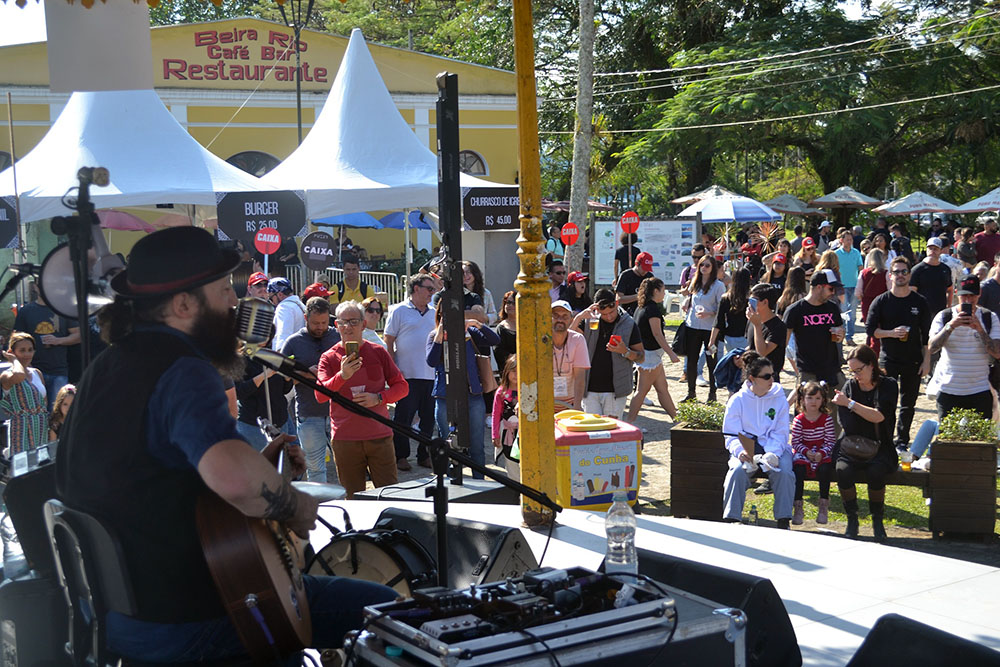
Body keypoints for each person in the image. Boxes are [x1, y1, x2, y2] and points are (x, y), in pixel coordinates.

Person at [56, 227, 396, 662]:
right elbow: (233, 480)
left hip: (124, 619)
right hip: (191, 619)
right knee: (382, 611)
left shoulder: (110, 364)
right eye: (222, 291)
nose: (234, 303)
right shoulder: (181, 366)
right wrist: (294, 506)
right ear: (183, 305)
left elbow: (163, 475)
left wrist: (266, 465)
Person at [317, 301, 408, 498]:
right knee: (353, 498)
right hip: (345, 439)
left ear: (363, 325)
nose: (348, 327)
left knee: (390, 496)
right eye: (343, 322)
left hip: (379, 436)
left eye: (354, 322)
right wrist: (343, 375)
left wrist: (379, 398)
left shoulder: (378, 352)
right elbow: (320, 395)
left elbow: (402, 387)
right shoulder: (328, 357)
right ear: (336, 325)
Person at [832, 345, 900, 541]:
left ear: (871, 365)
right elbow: (847, 423)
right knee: (842, 471)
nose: (855, 375)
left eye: (858, 370)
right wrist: (858, 410)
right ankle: (852, 518)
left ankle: (877, 520)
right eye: (852, 371)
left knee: (876, 472)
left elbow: (879, 416)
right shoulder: (850, 387)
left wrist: (851, 404)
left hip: (880, 445)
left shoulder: (888, 384)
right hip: (852, 444)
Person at [721, 352, 793, 527]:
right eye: (766, 376)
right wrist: (740, 452)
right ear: (752, 378)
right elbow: (730, 434)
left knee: (785, 471)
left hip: (774, 448)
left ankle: (783, 520)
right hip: (746, 449)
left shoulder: (780, 399)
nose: (772, 379)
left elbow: (782, 432)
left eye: (773, 375)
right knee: (736, 471)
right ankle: (732, 519)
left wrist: (773, 454)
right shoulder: (737, 400)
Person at [866, 257, 931, 449]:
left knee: (908, 405)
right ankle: (885, 441)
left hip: (913, 360)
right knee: (886, 403)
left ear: (909, 275)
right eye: (897, 272)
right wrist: (891, 333)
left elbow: (927, 336)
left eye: (904, 272)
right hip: (888, 359)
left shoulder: (919, 302)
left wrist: (927, 361)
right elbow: (871, 330)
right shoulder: (882, 301)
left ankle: (902, 441)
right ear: (890, 275)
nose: (900, 275)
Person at [426, 309, 499, 478]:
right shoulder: (433, 335)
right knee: (448, 443)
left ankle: (479, 483)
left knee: (477, 445)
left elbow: (495, 339)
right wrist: (439, 334)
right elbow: (431, 360)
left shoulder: (469, 333)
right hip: (445, 396)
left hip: (472, 393)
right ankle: (452, 482)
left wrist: (476, 324)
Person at [281, 296, 341, 482]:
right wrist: (307, 374)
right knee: (315, 469)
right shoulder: (292, 342)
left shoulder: (338, 336)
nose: (320, 327)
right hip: (309, 413)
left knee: (347, 465)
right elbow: (283, 379)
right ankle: (320, 508)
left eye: (324, 322)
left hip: (339, 412)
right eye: (315, 323)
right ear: (306, 318)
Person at [927, 275, 1000, 420]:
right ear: (956, 293)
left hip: (980, 391)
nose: (968, 300)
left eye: (972, 296)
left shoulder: (989, 318)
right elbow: (932, 348)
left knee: (979, 441)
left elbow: (997, 353)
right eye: (964, 296)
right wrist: (951, 326)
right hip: (949, 390)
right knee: (947, 441)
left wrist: (980, 329)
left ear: (979, 293)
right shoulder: (944, 317)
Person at [385, 274, 438, 470]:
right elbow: (388, 339)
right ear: (416, 288)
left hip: (430, 374)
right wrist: (392, 369)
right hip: (406, 375)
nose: (432, 293)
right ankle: (401, 456)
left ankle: (424, 455)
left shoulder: (434, 312)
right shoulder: (399, 311)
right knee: (403, 418)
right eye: (429, 289)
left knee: (427, 419)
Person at [572, 288, 644, 418]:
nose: (609, 317)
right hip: (589, 390)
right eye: (604, 314)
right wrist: (579, 317)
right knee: (593, 432)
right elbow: (568, 340)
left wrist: (625, 351)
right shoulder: (589, 320)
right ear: (597, 310)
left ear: (617, 304)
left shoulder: (629, 323)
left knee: (613, 433)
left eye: (611, 312)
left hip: (615, 391)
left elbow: (641, 357)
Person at [14, 282, 80, 409]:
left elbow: (78, 336)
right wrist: (25, 365)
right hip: (32, 371)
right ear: (35, 287)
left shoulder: (62, 309)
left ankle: (55, 430)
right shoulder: (26, 311)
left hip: (59, 370)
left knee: (58, 412)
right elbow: (16, 339)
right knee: (35, 411)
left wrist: (58, 340)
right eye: (42, 285)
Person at [783, 269, 846, 402]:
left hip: (832, 369)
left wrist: (841, 334)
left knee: (837, 416)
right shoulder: (795, 310)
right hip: (808, 371)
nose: (833, 293)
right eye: (830, 289)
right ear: (819, 287)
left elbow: (840, 333)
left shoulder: (832, 307)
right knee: (806, 416)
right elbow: (784, 340)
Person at [625, 277, 680, 423]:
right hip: (649, 356)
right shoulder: (652, 309)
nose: (664, 293)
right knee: (641, 392)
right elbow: (657, 334)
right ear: (656, 291)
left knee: (662, 387)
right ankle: (630, 423)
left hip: (649, 355)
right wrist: (671, 353)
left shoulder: (641, 307)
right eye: (663, 290)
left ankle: (677, 419)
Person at [235, 340, 293, 451]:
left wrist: (287, 378)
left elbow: (284, 390)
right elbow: (239, 392)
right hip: (253, 426)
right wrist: (263, 376)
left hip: (280, 422)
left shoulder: (273, 355)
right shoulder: (239, 361)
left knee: (282, 465)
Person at [791, 381, 835, 525]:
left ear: (823, 400)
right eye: (810, 398)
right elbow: (795, 441)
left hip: (821, 451)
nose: (814, 402)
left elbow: (830, 441)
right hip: (804, 451)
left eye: (817, 398)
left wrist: (822, 452)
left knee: (825, 469)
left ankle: (823, 505)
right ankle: (798, 506)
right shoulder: (799, 420)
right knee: (798, 469)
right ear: (803, 399)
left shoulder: (826, 419)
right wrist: (806, 451)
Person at [682, 255, 725, 403]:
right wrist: (687, 302)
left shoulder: (718, 286)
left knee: (711, 361)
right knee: (691, 361)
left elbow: (722, 308)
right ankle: (691, 393)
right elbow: (692, 297)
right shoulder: (695, 282)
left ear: (713, 268)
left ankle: (712, 394)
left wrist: (709, 313)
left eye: (707, 265)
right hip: (693, 325)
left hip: (710, 329)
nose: (704, 268)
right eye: (702, 265)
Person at [0, 332, 48, 454]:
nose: (27, 354)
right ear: (12, 352)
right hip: (21, 429)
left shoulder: (37, 373)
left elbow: (44, 402)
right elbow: (19, 376)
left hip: (40, 426)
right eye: (22, 350)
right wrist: (14, 360)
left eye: (30, 350)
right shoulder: (6, 375)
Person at [551, 300, 590, 410]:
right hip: (544, 401)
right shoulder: (540, 339)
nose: (560, 320)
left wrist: (577, 406)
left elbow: (580, 377)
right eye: (556, 316)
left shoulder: (578, 339)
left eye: (564, 316)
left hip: (569, 403)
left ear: (571, 320)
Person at [746, 283, 787, 378]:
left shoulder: (778, 326)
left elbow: (762, 352)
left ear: (765, 302)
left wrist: (757, 325)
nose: (749, 304)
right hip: (752, 376)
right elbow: (751, 346)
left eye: (753, 301)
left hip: (768, 379)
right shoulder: (752, 321)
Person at [710, 268, 751, 357]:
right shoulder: (752, 299)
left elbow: (718, 321)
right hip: (747, 336)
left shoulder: (726, 298)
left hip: (730, 337)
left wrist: (711, 341)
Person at [910, 237, 954, 317]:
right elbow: (912, 293)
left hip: (940, 312)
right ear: (926, 250)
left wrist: (949, 306)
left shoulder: (945, 269)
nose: (932, 251)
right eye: (930, 248)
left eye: (935, 249)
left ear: (941, 251)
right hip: (923, 312)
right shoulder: (917, 270)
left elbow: (950, 289)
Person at [492, 356, 520, 480]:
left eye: (519, 371)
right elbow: (496, 414)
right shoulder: (501, 392)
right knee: (510, 460)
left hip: (523, 433)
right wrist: (495, 435)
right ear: (507, 371)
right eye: (513, 371)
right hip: (507, 433)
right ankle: (516, 488)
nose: (516, 375)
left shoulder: (527, 390)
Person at [856, 248, 889, 351]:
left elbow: (858, 292)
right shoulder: (886, 273)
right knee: (879, 330)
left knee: (870, 329)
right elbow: (890, 290)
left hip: (867, 303)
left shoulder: (863, 273)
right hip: (882, 303)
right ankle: (874, 353)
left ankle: (868, 351)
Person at [835, 228, 864, 342]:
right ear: (841, 240)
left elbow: (860, 268)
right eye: (847, 239)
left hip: (854, 285)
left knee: (852, 313)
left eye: (850, 239)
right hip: (841, 286)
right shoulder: (836, 253)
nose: (849, 241)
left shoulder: (856, 252)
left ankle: (849, 336)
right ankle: (841, 336)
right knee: (843, 312)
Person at [267, 277, 306, 353]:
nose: (272, 302)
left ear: (280, 294)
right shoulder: (300, 305)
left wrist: (280, 358)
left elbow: (284, 335)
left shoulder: (284, 308)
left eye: (271, 298)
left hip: (289, 356)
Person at [614, 251, 655, 317]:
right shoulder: (626, 275)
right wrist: (639, 296)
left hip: (644, 314)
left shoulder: (649, 276)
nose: (645, 271)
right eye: (644, 268)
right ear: (637, 263)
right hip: (627, 314)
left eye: (648, 269)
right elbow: (619, 299)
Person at [493, 290, 517, 370]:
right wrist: (515, 359)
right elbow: (498, 351)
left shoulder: (527, 326)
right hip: (509, 370)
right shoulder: (501, 327)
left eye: (514, 303)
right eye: (508, 302)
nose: (510, 305)